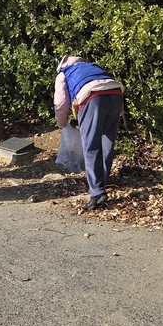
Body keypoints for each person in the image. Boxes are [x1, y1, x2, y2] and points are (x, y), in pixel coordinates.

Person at [54, 55, 124, 210]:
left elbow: (60, 103)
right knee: (107, 141)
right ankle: (103, 181)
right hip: (116, 94)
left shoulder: (63, 73)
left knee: (91, 145)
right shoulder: (91, 66)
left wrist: (62, 124)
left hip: (92, 97)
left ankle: (97, 193)